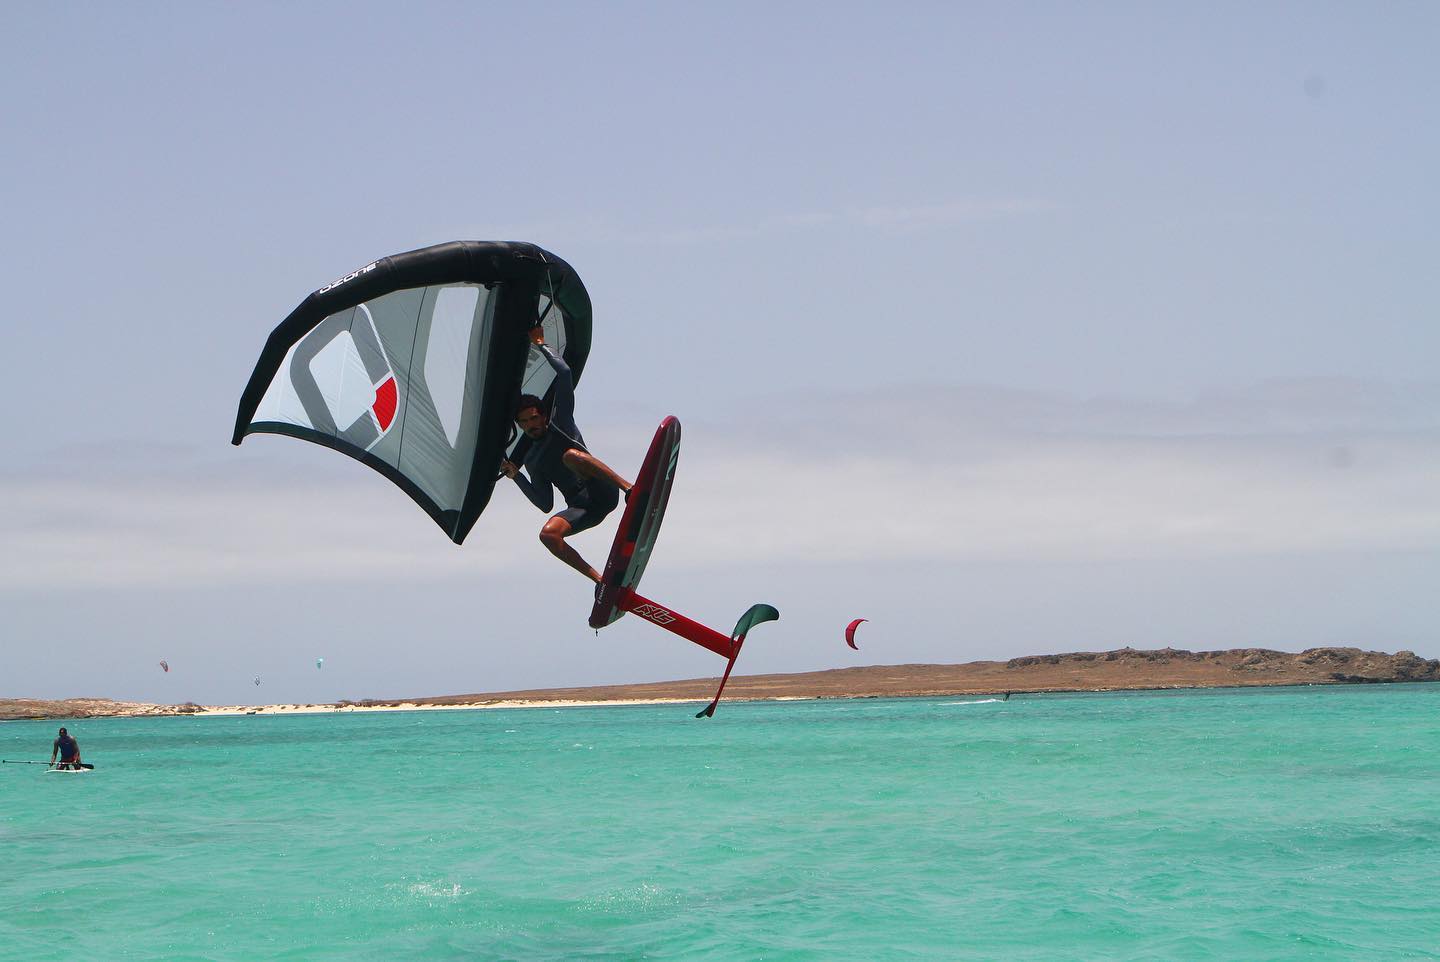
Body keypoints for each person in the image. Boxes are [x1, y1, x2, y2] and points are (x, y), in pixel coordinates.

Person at [501, 326, 631, 583]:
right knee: (547, 535)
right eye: (524, 422)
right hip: (583, 509)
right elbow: (544, 504)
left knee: (570, 456)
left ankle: (631, 489)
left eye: (534, 418)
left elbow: (564, 373)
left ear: (544, 416)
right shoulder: (531, 459)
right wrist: (517, 477)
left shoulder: (561, 423)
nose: (531, 425)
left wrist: (540, 343)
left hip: (604, 492)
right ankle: (600, 581)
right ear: (519, 424)